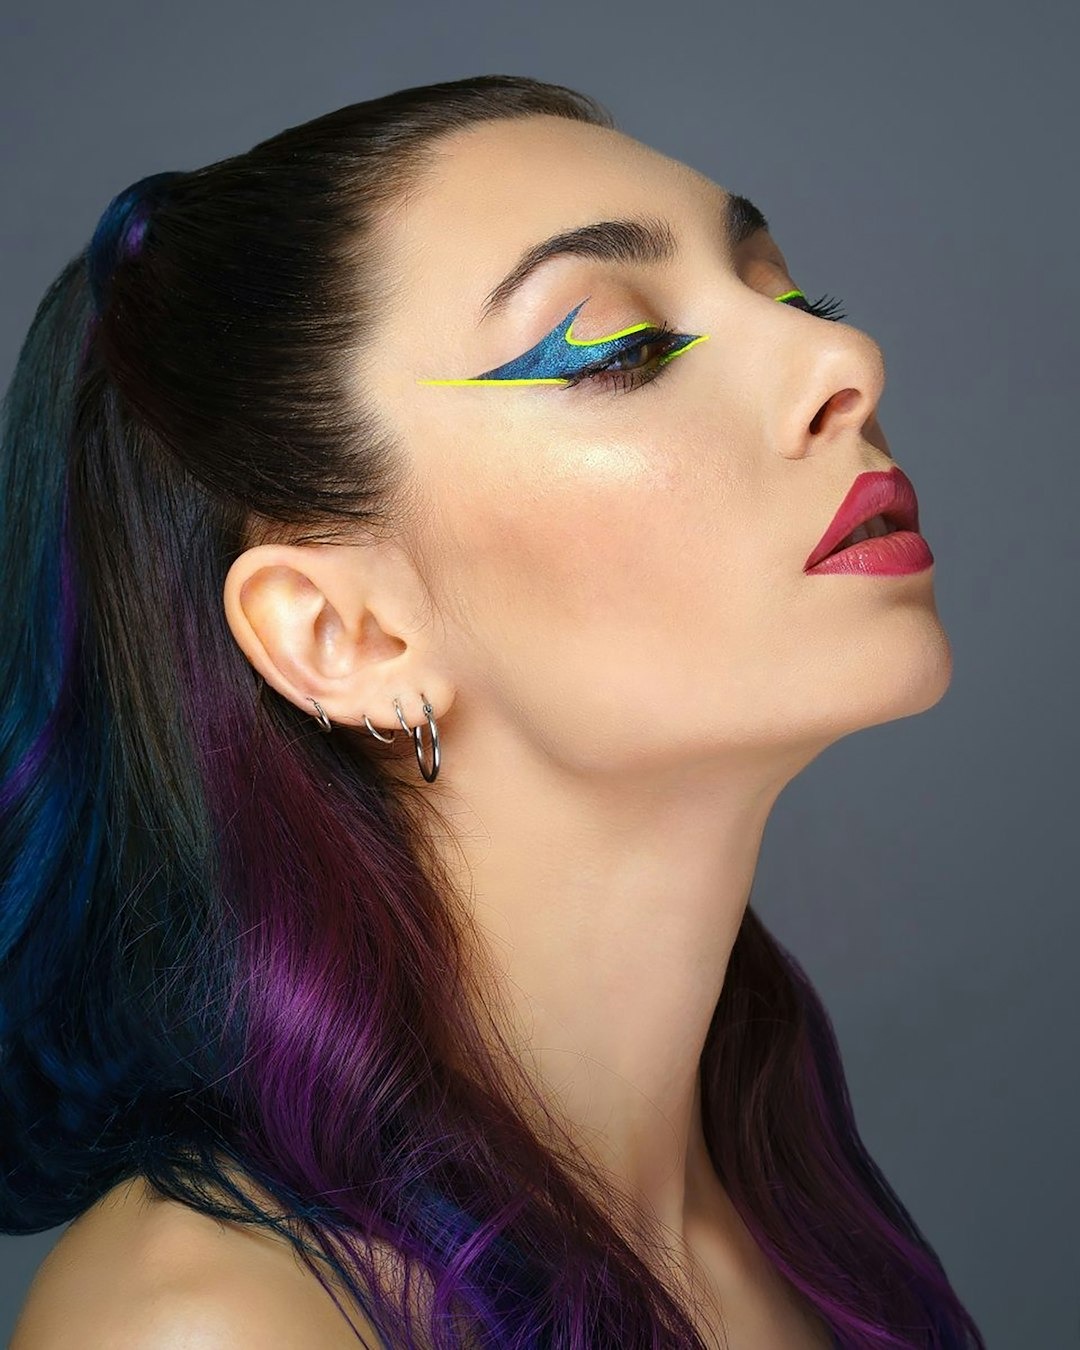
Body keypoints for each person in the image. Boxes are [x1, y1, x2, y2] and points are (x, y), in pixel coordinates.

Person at [0, 73, 986, 1349]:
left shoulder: (793, 1233)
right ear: (344, 635)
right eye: (617, 348)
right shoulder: (215, 1324)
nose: (844, 358)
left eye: (793, 296)